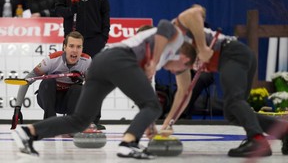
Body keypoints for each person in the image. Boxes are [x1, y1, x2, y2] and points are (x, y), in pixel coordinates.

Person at [11, 19, 197, 159]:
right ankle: (128, 143)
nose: (175, 71)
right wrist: (156, 60)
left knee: (80, 121)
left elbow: (145, 95)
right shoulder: (174, 42)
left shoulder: (155, 59)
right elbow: (166, 24)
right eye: (181, 68)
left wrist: (149, 125)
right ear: (184, 58)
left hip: (100, 62)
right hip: (118, 59)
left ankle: (28, 132)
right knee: (154, 105)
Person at [160, 4, 288, 158]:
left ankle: (257, 140)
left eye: (168, 67)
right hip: (235, 59)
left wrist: (201, 47)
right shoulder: (177, 62)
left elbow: (196, 11)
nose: (172, 71)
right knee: (233, 113)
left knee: (234, 101)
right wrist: (167, 123)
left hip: (234, 53)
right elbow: (183, 93)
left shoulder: (174, 31)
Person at [10, 31, 94, 129]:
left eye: (78, 47)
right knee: (48, 82)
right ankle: (50, 122)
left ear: (82, 48)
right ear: (64, 47)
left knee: (78, 89)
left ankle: (71, 124)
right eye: (71, 46)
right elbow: (27, 80)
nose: (75, 50)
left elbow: (93, 89)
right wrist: (17, 109)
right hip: (48, 100)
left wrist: (83, 80)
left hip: (68, 101)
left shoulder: (87, 61)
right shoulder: (51, 60)